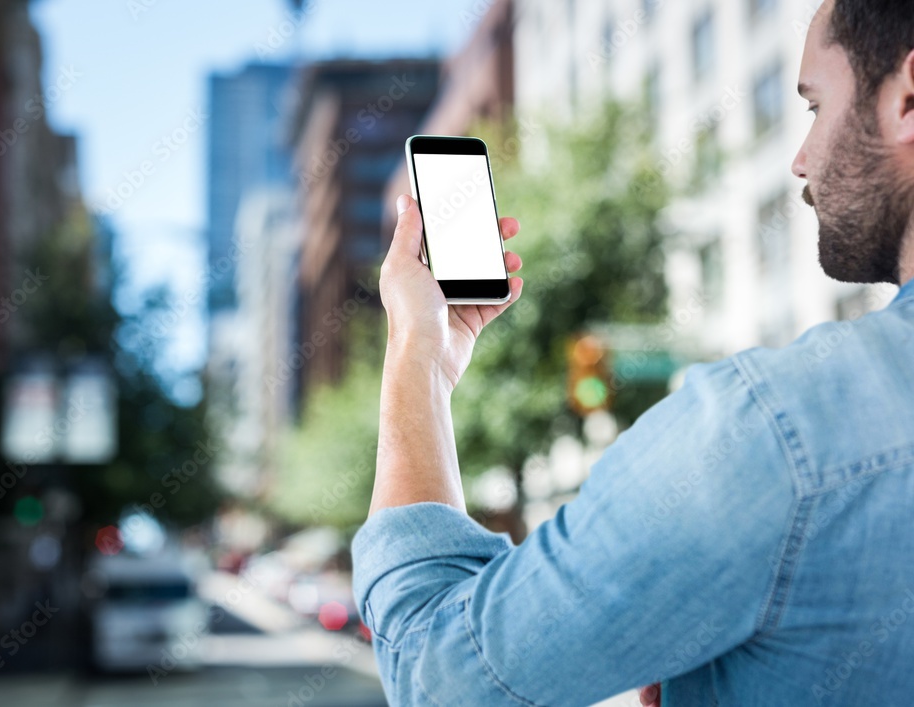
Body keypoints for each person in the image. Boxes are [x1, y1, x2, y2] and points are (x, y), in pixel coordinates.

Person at [350, 0, 914, 703]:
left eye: (814, 105)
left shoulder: (771, 432)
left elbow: (437, 673)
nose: (801, 158)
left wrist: (418, 355)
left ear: (907, 100)